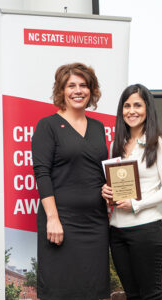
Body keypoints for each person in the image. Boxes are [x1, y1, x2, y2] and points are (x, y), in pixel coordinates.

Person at [32, 63, 110, 300]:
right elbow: (42, 173)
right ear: (61, 91)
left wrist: (108, 189)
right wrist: (53, 219)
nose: (78, 91)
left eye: (84, 85)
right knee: (60, 291)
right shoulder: (47, 126)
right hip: (62, 223)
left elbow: (97, 171)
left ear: (91, 90)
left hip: (95, 224)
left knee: (92, 291)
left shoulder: (98, 127)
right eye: (71, 85)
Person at [102, 84, 162, 300]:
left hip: (146, 230)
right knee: (132, 295)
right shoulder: (116, 145)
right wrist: (107, 190)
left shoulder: (158, 143)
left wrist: (137, 204)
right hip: (117, 231)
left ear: (147, 109)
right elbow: (115, 186)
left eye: (137, 105)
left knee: (151, 295)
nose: (131, 111)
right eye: (126, 106)